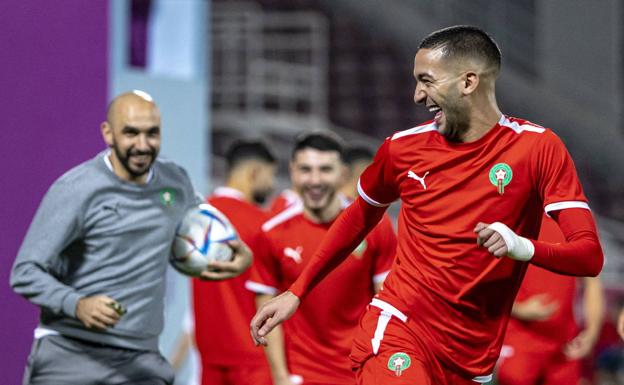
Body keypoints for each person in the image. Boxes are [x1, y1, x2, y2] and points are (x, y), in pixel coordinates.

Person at [250, 25, 604, 385]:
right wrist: (297, 291)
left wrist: (522, 247)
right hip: (401, 326)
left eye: (427, 80)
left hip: (472, 355)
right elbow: (358, 216)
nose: (418, 95)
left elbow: (589, 256)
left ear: (468, 83)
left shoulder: (538, 149)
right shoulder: (401, 149)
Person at [10, 91, 252, 385]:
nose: (142, 145)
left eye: (152, 133)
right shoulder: (77, 188)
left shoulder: (175, 183)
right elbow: (24, 272)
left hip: (140, 360)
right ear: (108, 134)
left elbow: (201, 229)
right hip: (69, 351)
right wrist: (77, 304)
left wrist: (239, 256)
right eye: (131, 133)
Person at [246, 131, 397, 385]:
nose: (314, 180)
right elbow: (267, 314)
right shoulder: (271, 233)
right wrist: (281, 377)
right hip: (302, 375)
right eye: (306, 169)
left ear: (343, 173)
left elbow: (388, 301)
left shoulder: (375, 226)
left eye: (325, 169)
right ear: (292, 170)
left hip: (360, 370)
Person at [192, 139, 277, 385]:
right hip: (254, 358)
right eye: (270, 177)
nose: (271, 186)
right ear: (254, 172)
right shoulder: (264, 224)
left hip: (209, 356)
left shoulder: (197, 216)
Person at [497, 214, 605, 385]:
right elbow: (484, 276)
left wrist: (592, 332)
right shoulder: (516, 211)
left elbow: (592, 280)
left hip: (564, 343)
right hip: (520, 338)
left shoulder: (579, 217)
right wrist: (518, 308)